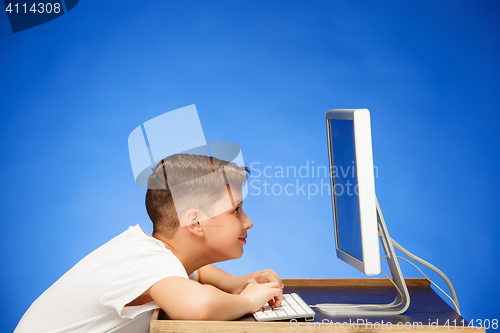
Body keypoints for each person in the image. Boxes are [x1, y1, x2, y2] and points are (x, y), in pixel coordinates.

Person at [15, 154, 283, 333]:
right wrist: (249, 300)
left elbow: (196, 271)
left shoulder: (154, 253)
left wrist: (235, 283)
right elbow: (196, 306)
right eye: (235, 210)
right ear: (196, 222)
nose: (248, 222)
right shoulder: (149, 262)